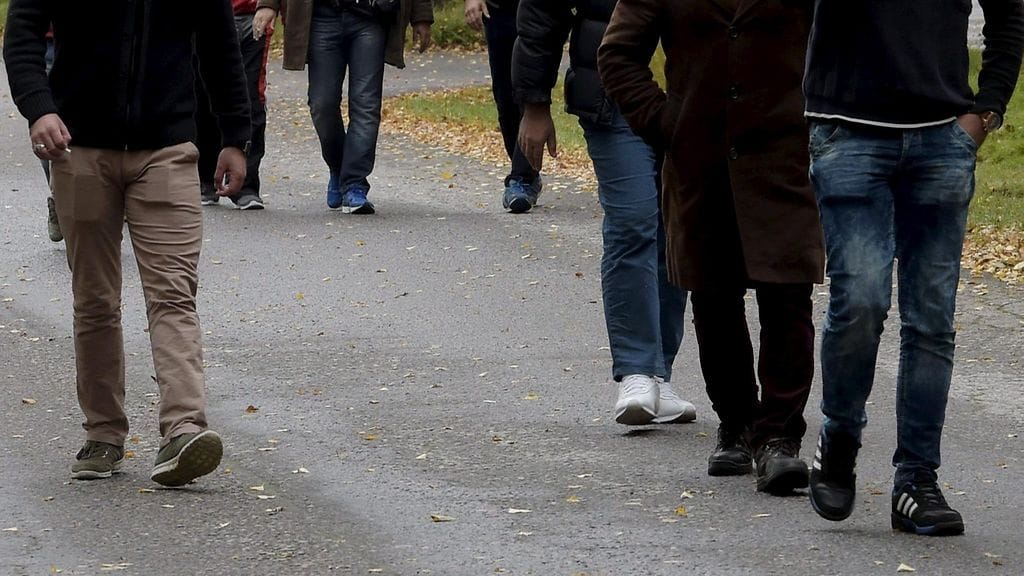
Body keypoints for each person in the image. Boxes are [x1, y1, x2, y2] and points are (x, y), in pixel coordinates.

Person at [4, 0, 251, 486]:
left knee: (173, 293)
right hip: (79, 148)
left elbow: (221, 45)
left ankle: (183, 429)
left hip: (167, 148)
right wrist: (39, 108)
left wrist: (235, 135)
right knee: (95, 299)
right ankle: (103, 434)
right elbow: (22, 33)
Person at [802, 1, 1024, 535]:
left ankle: (917, 479)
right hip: (848, 131)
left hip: (943, 137)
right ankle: (839, 438)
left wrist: (986, 110)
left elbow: (1008, 16)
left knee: (931, 321)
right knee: (861, 301)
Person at [598, 0, 824, 494]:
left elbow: (847, 39)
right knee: (714, 298)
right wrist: (664, 121)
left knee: (788, 295)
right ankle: (736, 423)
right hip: (698, 161)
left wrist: (822, 119)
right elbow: (617, 54)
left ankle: (779, 436)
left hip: (785, 156)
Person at [513, 0, 695, 428]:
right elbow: (541, 14)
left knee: (675, 228)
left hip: (691, 100)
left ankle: (659, 373)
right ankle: (636, 371)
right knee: (633, 222)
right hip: (612, 96)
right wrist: (535, 104)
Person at [253, 0, 433, 214]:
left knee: (366, 104)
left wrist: (422, 16)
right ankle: (338, 167)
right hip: (322, 17)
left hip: (371, 17)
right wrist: (268, 4)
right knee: (322, 104)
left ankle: (354, 183)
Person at [464, 0, 543, 213]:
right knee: (506, 97)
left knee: (531, 90)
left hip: (542, 10)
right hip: (499, 11)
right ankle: (527, 171)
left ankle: (522, 178)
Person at [195, 0, 273, 210]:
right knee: (203, 94)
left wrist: (269, 5)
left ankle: (246, 186)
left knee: (251, 97)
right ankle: (207, 177)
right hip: (205, 14)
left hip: (252, 14)